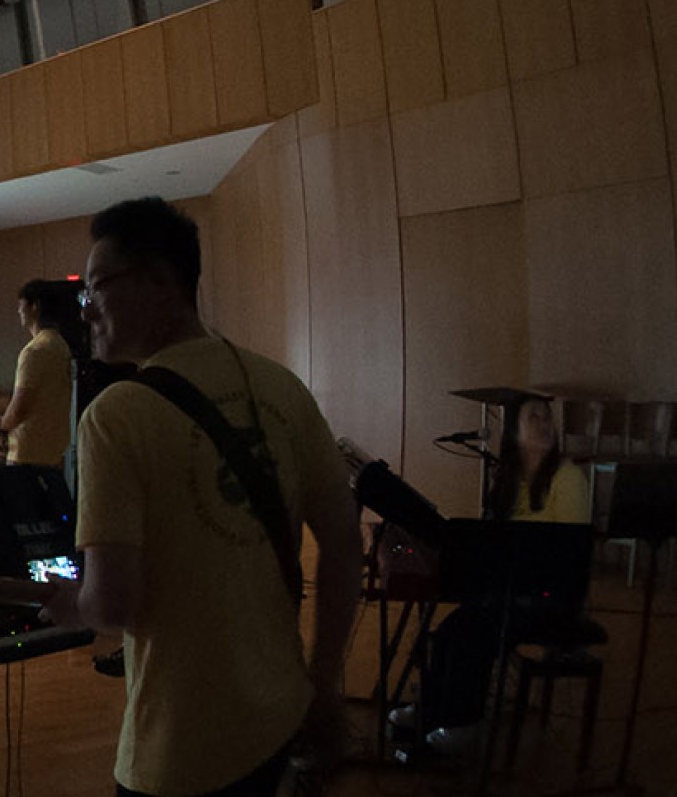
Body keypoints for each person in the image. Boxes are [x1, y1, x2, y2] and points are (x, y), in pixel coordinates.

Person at [40, 198, 363, 797]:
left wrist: (73, 604)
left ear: (160, 281)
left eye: (97, 287)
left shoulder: (115, 416)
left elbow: (113, 605)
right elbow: (344, 543)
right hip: (280, 713)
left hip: (179, 749)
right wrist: (323, 685)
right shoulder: (280, 385)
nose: (86, 310)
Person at [386, 394, 593, 754]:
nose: (545, 424)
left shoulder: (568, 477)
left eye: (547, 417)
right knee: (448, 632)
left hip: (549, 598)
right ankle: (431, 709)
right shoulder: (509, 480)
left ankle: (463, 723)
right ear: (514, 431)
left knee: (473, 634)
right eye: (534, 417)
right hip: (509, 591)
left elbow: (570, 555)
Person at [0, 280, 82, 468]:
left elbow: (20, 408)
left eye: (21, 305)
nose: (18, 311)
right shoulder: (61, 345)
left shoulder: (33, 351)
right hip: (54, 451)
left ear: (35, 306)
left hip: (27, 453)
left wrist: (2, 426)